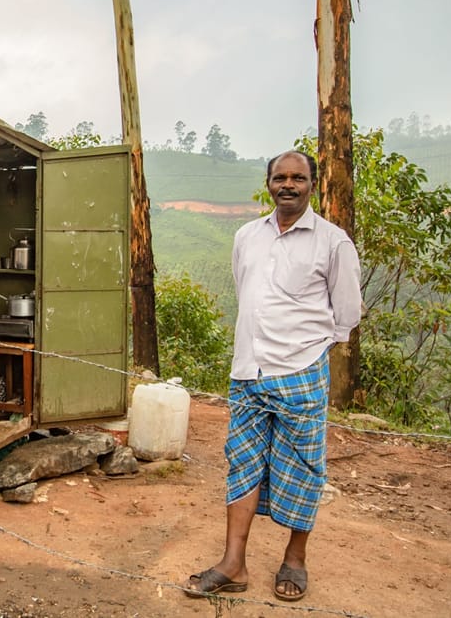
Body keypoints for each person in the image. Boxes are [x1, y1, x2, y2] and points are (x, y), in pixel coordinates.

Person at [185, 150, 362, 602]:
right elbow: (246, 292)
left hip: (301, 372)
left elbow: (346, 316)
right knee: (243, 464)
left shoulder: (333, 242)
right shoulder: (247, 236)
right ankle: (233, 564)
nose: (288, 184)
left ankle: (295, 560)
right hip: (248, 370)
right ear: (268, 184)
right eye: (280, 177)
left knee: (303, 468)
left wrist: (305, 351)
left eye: (297, 178)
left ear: (312, 184)